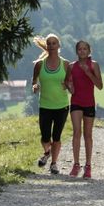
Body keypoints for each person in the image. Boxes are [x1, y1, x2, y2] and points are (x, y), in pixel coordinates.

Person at [31, 34, 71, 175]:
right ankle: (47, 152)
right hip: (45, 105)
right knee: (45, 137)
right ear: (46, 46)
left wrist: (68, 87)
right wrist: (35, 86)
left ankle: (54, 164)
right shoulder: (39, 64)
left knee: (57, 137)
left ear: (59, 46)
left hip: (62, 105)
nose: (52, 46)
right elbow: (34, 81)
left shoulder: (66, 64)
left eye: (54, 43)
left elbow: (70, 84)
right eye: (49, 43)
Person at [64, 40, 103, 179]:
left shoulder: (94, 65)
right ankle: (76, 164)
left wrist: (89, 73)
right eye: (80, 49)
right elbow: (67, 83)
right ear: (76, 51)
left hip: (89, 103)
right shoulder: (71, 66)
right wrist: (70, 87)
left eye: (85, 49)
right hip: (76, 102)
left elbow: (100, 86)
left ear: (89, 50)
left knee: (88, 135)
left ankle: (88, 166)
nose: (82, 51)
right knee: (76, 132)